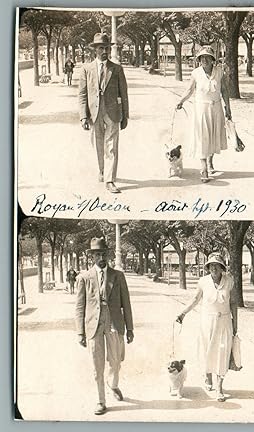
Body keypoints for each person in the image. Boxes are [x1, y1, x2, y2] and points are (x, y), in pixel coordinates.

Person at [75, 237, 134, 415]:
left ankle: (113, 384)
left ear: (108, 255)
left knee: (116, 361)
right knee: (97, 365)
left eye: (103, 254)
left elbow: (126, 303)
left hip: (114, 323)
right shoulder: (84, 278)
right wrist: (80, 332)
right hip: (93, 326)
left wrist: (130, 328)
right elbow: (79, 306)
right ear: (92, 257)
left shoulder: (118, 276)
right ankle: (101, 401)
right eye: (96, 254)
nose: (100, 257)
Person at [176, 252, 238, 402]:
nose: (214, 268)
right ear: (208, 267)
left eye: (217, 265)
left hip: (224, 322)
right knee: (207, 351)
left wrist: (236, 324)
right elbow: (195, 299)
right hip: (206, 322)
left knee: (222, 353)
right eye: (211, 265)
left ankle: (220, 388)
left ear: (222, 267)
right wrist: (183, 314)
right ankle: (208, 376)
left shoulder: (229, 281)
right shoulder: (203, 281)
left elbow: (234, 303)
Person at [78, 33, 129, 194]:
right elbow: (82, 94)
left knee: (111, 147)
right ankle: (102, 170)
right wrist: (83, 116)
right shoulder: (86, 69)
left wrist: (125, 115)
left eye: (107, 48)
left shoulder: (117, 69)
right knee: (98, 145)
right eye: (101, 48)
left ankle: (110, 179)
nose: (105, 51)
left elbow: (124, 93)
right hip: (94, 113)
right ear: (95, 50)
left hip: (113, 113)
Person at [176, 45, 232, 183]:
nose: (205, 60)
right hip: (201, 109)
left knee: (213, 136)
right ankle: (203, 168)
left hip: (216, 107)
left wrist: (228, 108)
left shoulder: (220, 72)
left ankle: (210, 161)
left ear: (213, 59)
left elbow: (224, 90)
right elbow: (189, 90)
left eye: (208, 57)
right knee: (202, 137)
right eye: (202, 58)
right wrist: (181, 101)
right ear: (199, 60)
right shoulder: (195, 73)